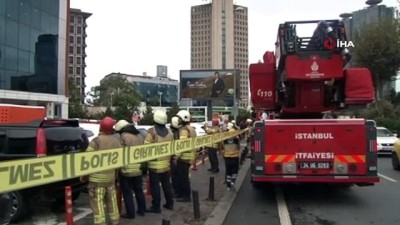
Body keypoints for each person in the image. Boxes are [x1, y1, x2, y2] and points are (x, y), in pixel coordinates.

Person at [83, 117, 121, 225]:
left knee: (98, 205)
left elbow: (86, 160)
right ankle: (115, 221)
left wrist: (84, 176)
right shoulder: (116, 142)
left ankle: (101, 223)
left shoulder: (96, 141)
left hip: (97, 181)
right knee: (112, 202)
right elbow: (119, 161)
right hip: (110, 179)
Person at [114, 119, 146, 219]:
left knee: (127, 193)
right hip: (138, 168)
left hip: (127, 170)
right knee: (139, 190)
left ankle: (130, 213)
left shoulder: (123, 137)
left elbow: (120, 152)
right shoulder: (139, 136)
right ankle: (142, 210)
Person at [145, 110, 174, 213]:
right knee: (166, 185)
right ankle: (170, 204)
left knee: (155, 187)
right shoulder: (170, 133)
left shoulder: (152, 132)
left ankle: (156, 207)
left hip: (154, 165)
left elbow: (146, 148)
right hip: (166, 164)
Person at [173, 110, 197, 202]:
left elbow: (182, 145)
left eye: (179, 118)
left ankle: (186, 196)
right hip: (190, 156)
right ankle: (182, 195)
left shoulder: (184, 130)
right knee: (184, 177)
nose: (178, 120)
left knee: (183, 178)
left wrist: (176, 157)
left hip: (184, 157)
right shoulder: (191, 129)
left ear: (183, 118)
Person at [222, 122, 240, 191]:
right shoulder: (236, 139)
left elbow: (222, 147)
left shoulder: (225, 139)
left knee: (228, 171)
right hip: (235, 157)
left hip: (227, 157)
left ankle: (228, 185)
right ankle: (233, 182)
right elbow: (238, 147)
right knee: (235, 171)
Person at [170, 116, 182, 197]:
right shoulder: (179, 132)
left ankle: (177, 192)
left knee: (175, 176)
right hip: (178, 157)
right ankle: (177, 190)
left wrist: (175, 157)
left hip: (175, 157)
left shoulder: (174, 134)